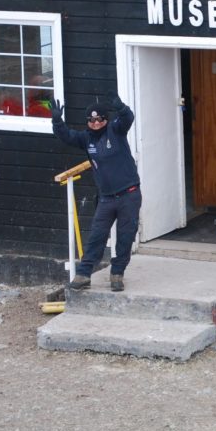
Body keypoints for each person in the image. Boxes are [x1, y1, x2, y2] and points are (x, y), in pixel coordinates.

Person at [51, 95, 141, 291]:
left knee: (126, 236)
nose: (96, 123)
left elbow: (128, 119)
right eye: (91, 120)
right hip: (106, 198)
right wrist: (57, 121)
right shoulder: (85, 139)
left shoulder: (116, 130)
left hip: (129, 194)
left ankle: (117, 274)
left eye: (100, 119)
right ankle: (84, 274)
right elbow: (66, 136)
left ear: (106, 119)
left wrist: (122, 108)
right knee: (96, 236)